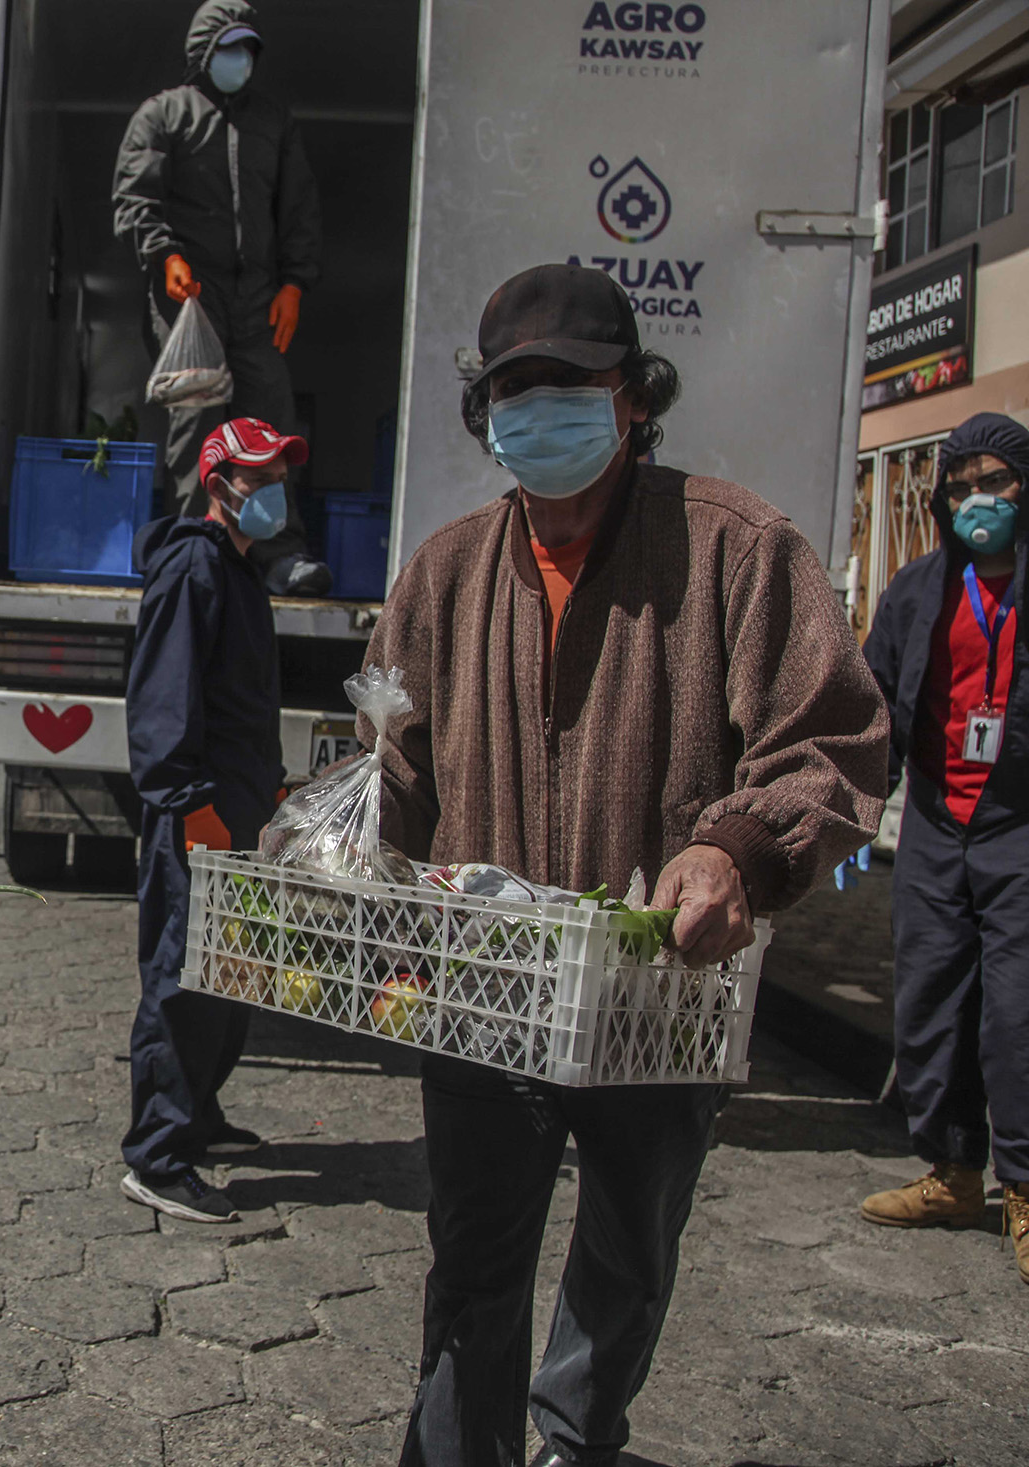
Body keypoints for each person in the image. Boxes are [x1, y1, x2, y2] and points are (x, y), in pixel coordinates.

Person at [362, 263, 887, 1466]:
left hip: (665, 994)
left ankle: (572, 1441)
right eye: (513, 389)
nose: (538, 410)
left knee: (625, 1258)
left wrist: (734, 852)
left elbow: (833, 740)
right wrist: (333, 854)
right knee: (473, 1264)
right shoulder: (443, 574)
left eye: (570, 384)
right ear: (484, 413)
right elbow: (396, 768)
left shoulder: (737, 551)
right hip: (486, 989)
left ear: (632, 400)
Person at [858, 411, 1027, 1286]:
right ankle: (955, 1173)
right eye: (961, 488)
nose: (978, 501)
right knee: (931, 1004)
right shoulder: (918, 589)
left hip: (1020, 830)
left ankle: (1026, 1189)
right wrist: (854, 810)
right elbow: (878, 701)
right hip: (934, 825)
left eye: (995, 482)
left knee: (1017, 1016)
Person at [120, 416, 297, 1222]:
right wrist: (190, 807)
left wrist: (273, 789)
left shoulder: (238, 569)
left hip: (240, 812)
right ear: (219, 481)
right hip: (200, 816)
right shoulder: (194, 564)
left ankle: (201, 1114)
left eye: (278, 477)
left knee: (232, 976)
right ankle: (157, 1155)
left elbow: (237, 703)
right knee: (182, 985)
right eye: (258, 477)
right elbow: (164, 702)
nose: (273, 492)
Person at [112, 0, 330, 596]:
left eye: (249, 49)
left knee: (269, 424)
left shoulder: (274, 123)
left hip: (259, 298)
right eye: (232, 48)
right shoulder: (165, 114)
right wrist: (165, 256)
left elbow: (299, 208)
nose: (243, 60)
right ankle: (195, 553)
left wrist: (294, 283)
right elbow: (135, 199)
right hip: (190, 298)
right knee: (195, 422)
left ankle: (281, 556)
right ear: (205, 52)